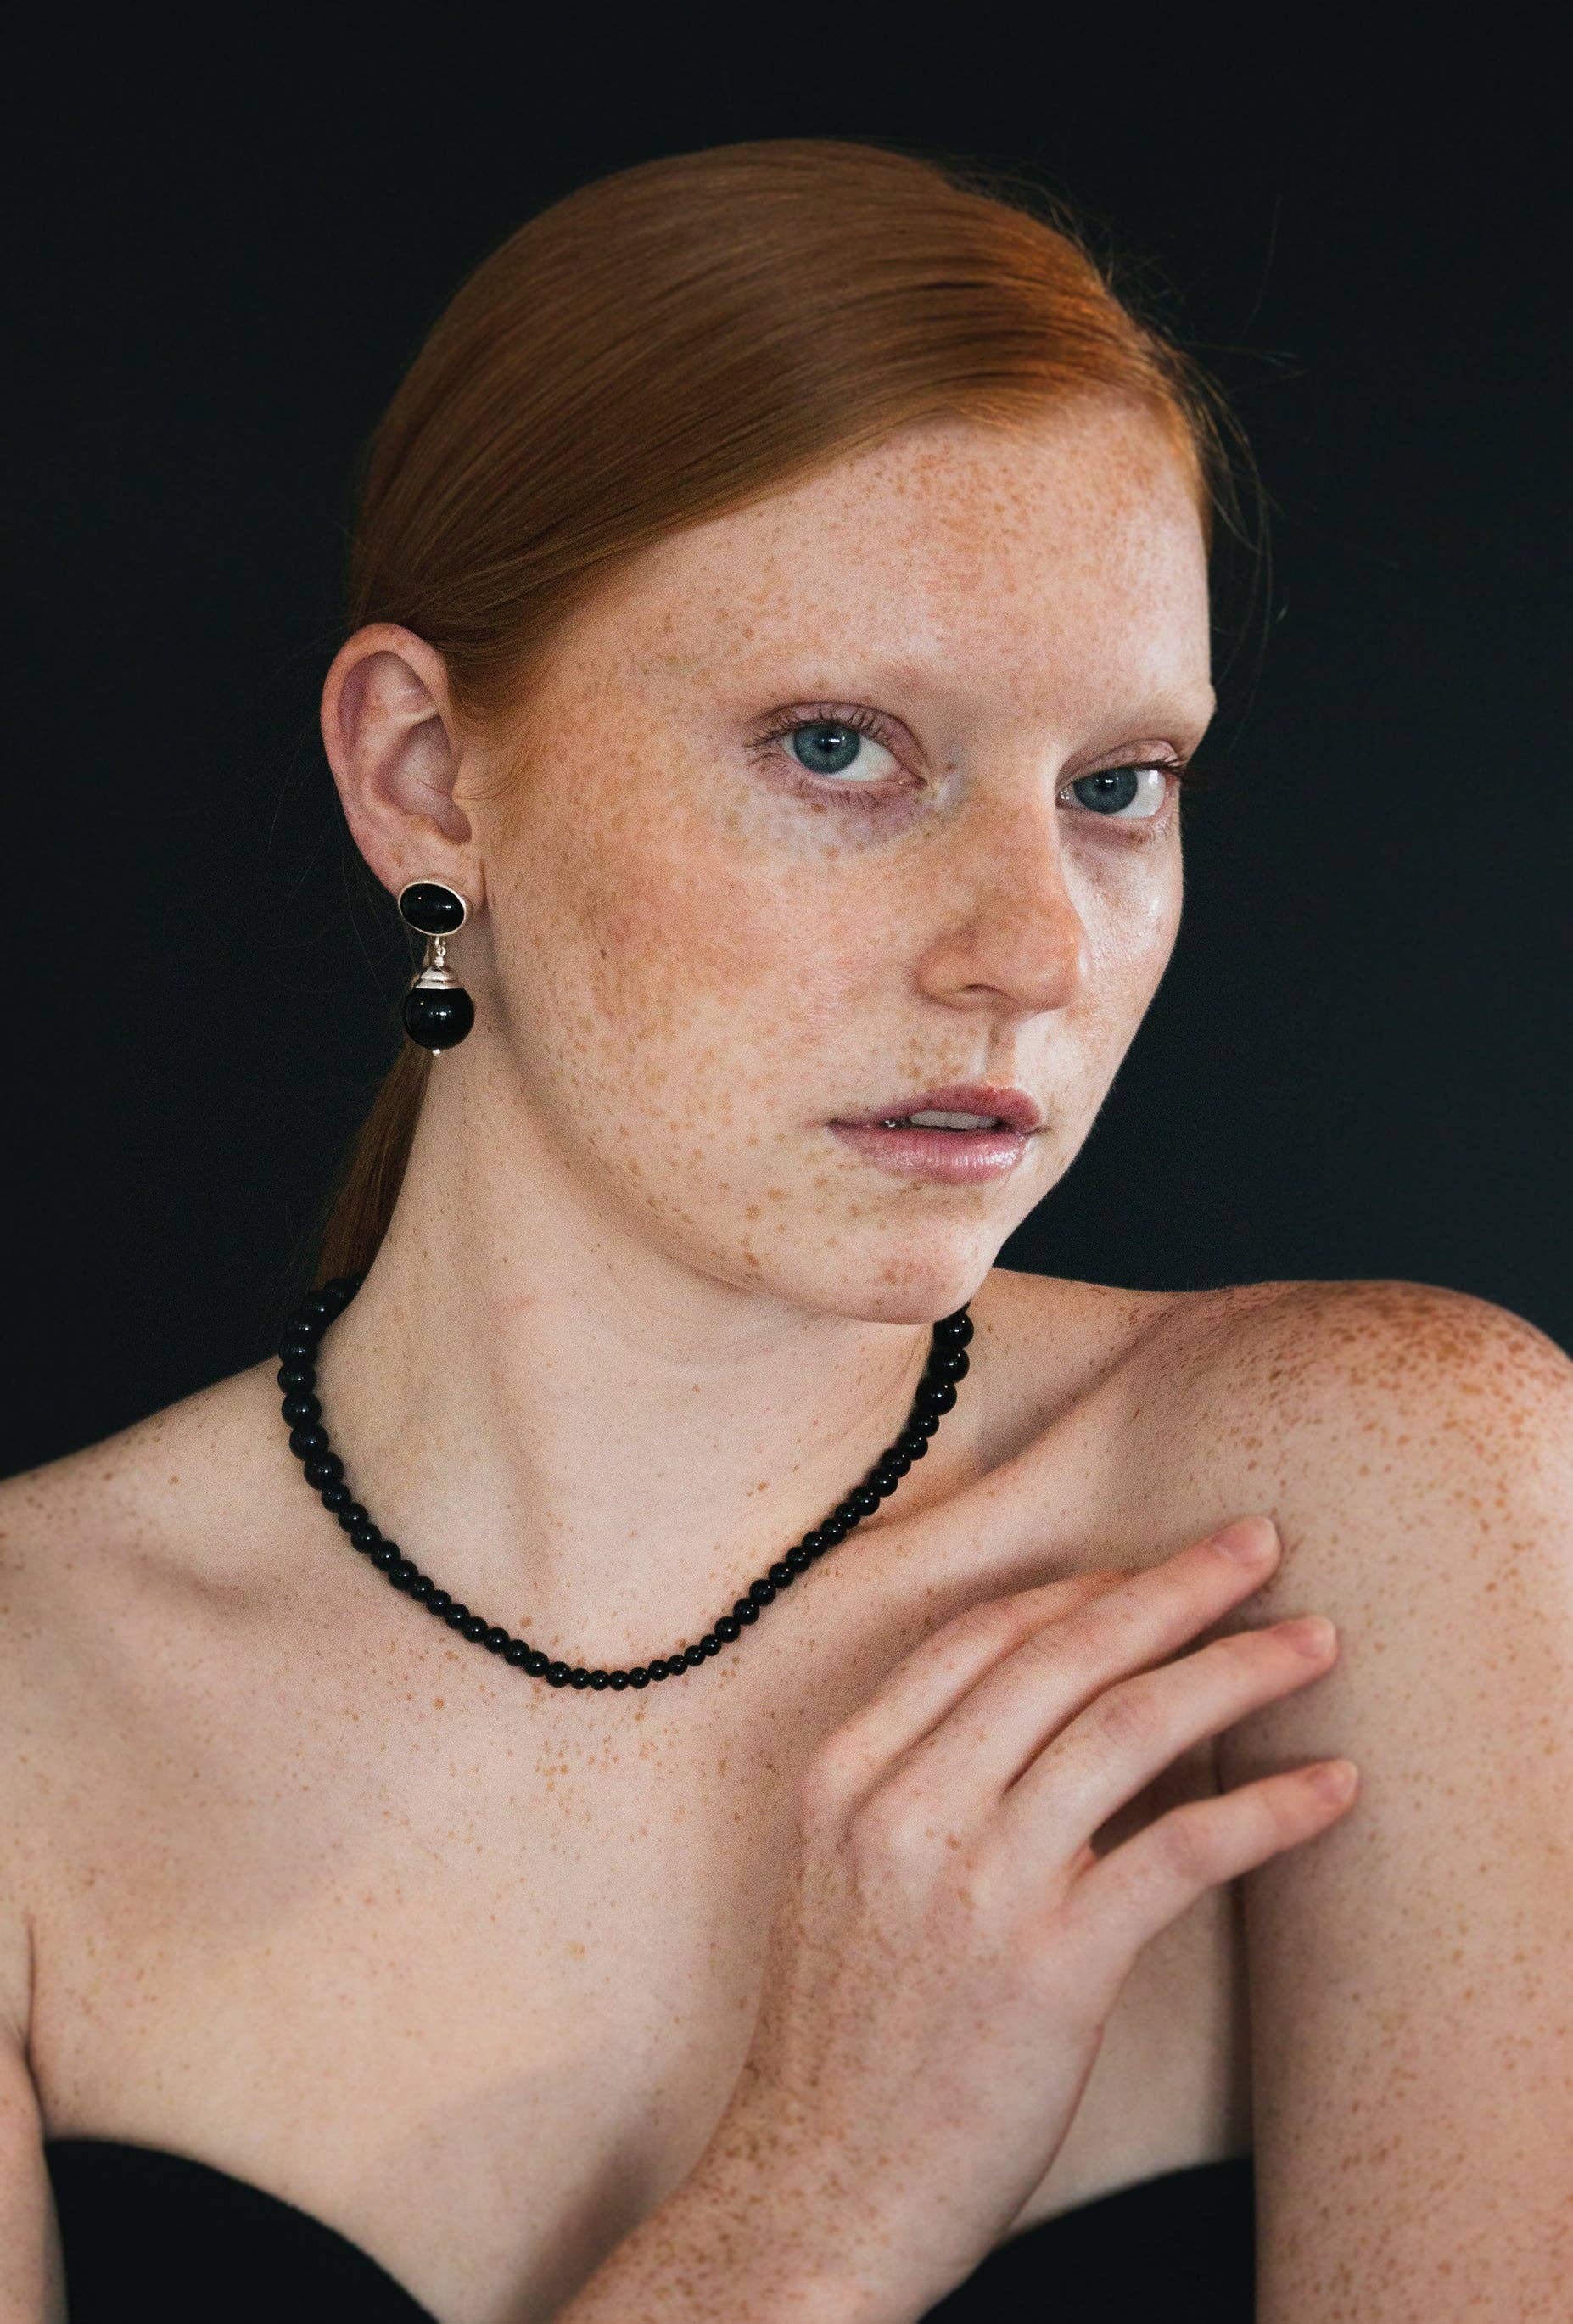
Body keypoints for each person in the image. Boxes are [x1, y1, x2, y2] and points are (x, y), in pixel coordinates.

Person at [3, 137, 1568, 2324]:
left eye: (1119, 786)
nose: (1031, 944)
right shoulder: (26, 1721)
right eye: (842, 748)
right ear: (428, 777)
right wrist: (823, 2199)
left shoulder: (1387, 1496)